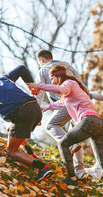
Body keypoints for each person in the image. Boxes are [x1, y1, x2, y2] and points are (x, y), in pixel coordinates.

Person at [27, 65, 103, 197]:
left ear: (58, 76)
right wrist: (43, 108)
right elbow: (59, 104)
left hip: (88, 121)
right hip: (99, 124)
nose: (52, 82)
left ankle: (72, 178)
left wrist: (37, 86)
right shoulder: (71, 90)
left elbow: (60, 89)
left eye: (52, 78)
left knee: (63, 144)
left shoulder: (68, 84)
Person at [35, 49, 87, 179]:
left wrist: (36, 111)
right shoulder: (68, 66)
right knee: (74, 135)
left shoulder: (43, 70)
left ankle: (71, 145)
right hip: (80, 104)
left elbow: (39, 93)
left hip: (65, 103)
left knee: (50, 126)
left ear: (41, 60)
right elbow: (81, 83)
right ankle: (80, 171)